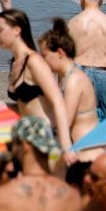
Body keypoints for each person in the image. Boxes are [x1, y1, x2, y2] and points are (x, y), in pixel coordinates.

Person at [0, 8, 73, 152]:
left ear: (17, 30)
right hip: (28, 134)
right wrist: (1, 106)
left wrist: (66, 146)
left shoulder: (34, 61)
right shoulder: (15, 62)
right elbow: (27, 105)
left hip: (47, 136)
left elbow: (58, 102)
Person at [37, 19, 100, 154]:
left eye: (45, 56)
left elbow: (65, 121)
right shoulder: (66, 78)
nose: (42, 61)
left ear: (60, 53)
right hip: (77, 147)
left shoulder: (74, 79)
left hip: (85, 150)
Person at [68, 0, 106, 117]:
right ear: (101, 0)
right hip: (104, 71)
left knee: (79, 114)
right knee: (104, 116)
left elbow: (65, 56)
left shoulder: (74, 22)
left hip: (80, 71)